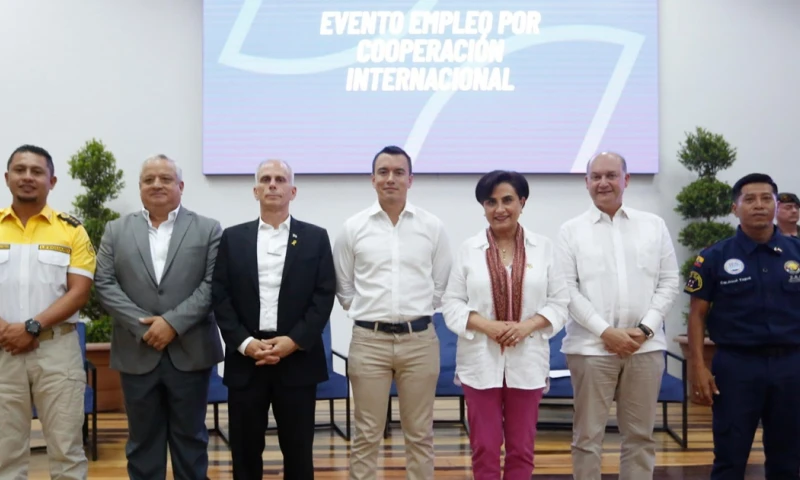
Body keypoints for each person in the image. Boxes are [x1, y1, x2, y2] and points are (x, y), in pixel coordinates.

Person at [94, 154, 223, 480]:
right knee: (142, 442)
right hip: (136, 351)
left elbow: (213, 285)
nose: (157, 185)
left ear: (181, 186)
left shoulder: (208, 229)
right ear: (140, 187)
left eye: (165, 179)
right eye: (149, 179)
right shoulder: (115, 230)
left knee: (191, 440)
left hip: (191, 351)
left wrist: (172, 324)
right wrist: (145, 327)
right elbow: (105, 284)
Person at [556, 152, 680, 480]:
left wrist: (645, 329)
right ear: (586, 183)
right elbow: (567, 289)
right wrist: (605, 332)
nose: (603, 183)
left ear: (626, 179)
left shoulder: (653, 226)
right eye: (596, 177)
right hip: (590, 349)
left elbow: (669, 281)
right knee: (587, 438)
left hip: (645, 348)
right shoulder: (570, 231)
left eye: (611, 175)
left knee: (640, 436)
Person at [333, 145, 452, 480]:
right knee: (366, 433)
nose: (390, 179)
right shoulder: (353, 228)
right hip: (369, 342)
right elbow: (344, 287)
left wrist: (418, 312)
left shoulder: (431, 226)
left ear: (410, 180)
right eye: (383, 172)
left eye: (399, 172)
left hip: (419, 341)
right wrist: (368, 313)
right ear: (372, 179)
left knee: (420, 433)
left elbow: (441, 283)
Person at [212, 159, 336, 480]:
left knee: (298, 453)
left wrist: (293, 341)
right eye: (265, 179)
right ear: (255, 191)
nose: (272, 184)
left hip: (297, 361)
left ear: (292, 191)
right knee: (244, 453)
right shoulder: (232, 238)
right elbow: (220, 297)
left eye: (280, 179)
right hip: (246, 361)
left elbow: (323, 296)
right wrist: (245, 343)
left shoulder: (315, 238)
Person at [441, 170, 569, 480]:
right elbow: (451, 303)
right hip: (480, 361)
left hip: (527, 361)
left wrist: (527, 327)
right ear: (483, 207)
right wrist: (488, 326)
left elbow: (560, 302)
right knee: (484, 447)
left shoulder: (544, 248)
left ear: (522, 202)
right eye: (491, 202)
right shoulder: (469, 250)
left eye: (507, 200)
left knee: (521, 448)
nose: (499, 209)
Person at [685, 173, 800, 479]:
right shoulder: (713, 257)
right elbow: (697, 315)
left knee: (789, 459)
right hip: (737, 367)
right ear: (735, 208)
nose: (758, 205)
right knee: (730, 458)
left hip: (791, 366)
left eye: (766, 199)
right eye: (749, 199)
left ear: (775, 205)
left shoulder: (797, 253)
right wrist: (698, 367)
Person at [0, 145, 95, 479]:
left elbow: (79, 292)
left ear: (51, 181)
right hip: (2, 350)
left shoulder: (71, 230)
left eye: (37, 171)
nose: (28, 177)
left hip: (57, 351)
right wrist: (6, 330)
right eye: (20, 170)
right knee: (4, 454)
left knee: (67, 451)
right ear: (7, 177)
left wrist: (31, 327)